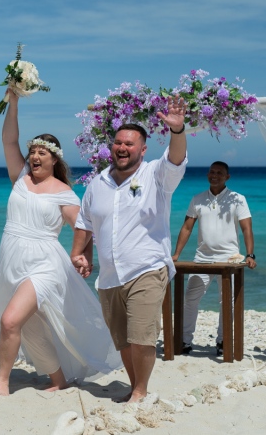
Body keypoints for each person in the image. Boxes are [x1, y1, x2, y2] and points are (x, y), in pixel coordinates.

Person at [0, 89, 121, 397]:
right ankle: (58, 379)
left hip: (45, 263)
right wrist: (14, 102)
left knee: (10, 321)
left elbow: (83, 225)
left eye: (41, 153)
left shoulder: (63, 192)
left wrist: (82, 255)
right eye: (32, 151)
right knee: (30, 326)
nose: (34, 156)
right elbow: (9, 140)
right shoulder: (20, 177)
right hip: (11, 258)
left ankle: (3, 384)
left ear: (53, 158)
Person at [70, 95, 187, 404]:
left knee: (141, 335)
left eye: (129, 144)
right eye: (118, 143)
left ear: (143, 149)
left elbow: (176, 160)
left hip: (146, 268)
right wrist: (79, 253)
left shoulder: (156, 176)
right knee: (122, 339)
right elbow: (85, 222)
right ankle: (136, 388)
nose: (122, 148)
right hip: (109, 277)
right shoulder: (98, 183)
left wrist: (177, 131)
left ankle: (140, 391)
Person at [171, 161, 256, 356]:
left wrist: (250, 254)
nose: (214, 175)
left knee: (226, 301)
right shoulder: (197, 199)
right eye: (211, 172)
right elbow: (186, 227)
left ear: (227, 177)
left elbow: (246, 228)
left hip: (230, 259)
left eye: (219, 172)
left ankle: (223, 341)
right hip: (202, 258)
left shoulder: (238, 199)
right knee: (190, 299)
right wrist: (176, 254)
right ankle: (184, 340)